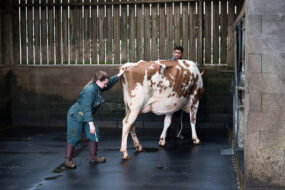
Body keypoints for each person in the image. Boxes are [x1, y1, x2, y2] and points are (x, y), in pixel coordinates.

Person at [64, 69, 124, 168]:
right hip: (76, 115)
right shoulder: (89, 91)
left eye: (106, 83)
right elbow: (86, 109)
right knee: (74, 137)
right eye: (104, 83)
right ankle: (67, 160)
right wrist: (91, 124)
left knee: (95, 133)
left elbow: (109, 83)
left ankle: (93, 157)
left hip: (86, 115)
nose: (106, 85)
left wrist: (119, 75)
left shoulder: (99, 87)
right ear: (98, 81)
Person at [170, 46, 185, 140]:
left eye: (179, 53)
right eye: (175, 52)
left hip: (179, 92)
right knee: (167, 114)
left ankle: (178, 134)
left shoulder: (184, 64)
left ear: (181, 54)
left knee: (179, 115)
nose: (177, 54)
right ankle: (165, 135)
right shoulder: (169, 63)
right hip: (169, 92)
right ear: (173, 52)